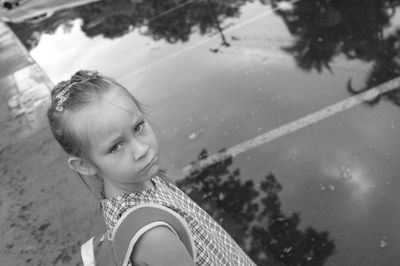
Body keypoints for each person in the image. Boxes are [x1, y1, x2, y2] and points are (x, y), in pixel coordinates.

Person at [47, 70, 256, 265]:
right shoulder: (154, 236)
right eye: (116, 146)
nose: (141, 149)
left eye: (138, 127)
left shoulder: (139, 181)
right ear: (84, 165)